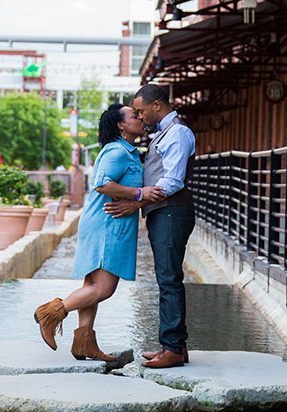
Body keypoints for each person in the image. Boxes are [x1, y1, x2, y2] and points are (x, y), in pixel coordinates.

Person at [33, 104, 166, 361]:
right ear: (120, 125)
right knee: (103, 289)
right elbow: (102, 183)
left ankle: (84, 344)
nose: (139, 118)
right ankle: (50, 313)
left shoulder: (124, 150)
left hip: (106, 224)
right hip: (108, 226)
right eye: (133, 115)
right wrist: (140, 194)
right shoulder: (118, 151)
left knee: (91, 286)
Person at [104, 84, 196, 369]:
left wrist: (136, 202)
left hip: (172, 212)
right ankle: (173, 346)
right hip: (164, 212)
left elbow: (173, 181)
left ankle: (172, 349)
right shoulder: (164, 133)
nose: (140, 117)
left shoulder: (178, 133)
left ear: (157, 105)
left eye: (142, 111)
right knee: (166, 279)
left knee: (169, 280)